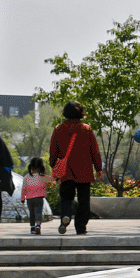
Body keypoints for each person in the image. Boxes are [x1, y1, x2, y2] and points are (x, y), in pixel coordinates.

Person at [49, 101, 102, 235]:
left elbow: (53, 150)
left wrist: (53, 164)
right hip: (84, 170)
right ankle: (81, 227)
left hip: (66, 170)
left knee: (66, 198)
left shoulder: (58, 128)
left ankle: (65, 217)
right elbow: (94, 151)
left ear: (65, 112)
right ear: (81, 112)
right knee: (84, 200)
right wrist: (98, 168)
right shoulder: (87, 129)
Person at [20, 156, 52, 235]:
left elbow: (24, 189)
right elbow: (51, 180)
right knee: (38, 212)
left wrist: (22, 198)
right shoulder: (43, 177)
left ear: (31, 167)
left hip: (29, 199)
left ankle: (32, 228)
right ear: (41, 167)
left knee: (32, 213)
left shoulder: (26, 177)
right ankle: (38, 225)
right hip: (39, 198)